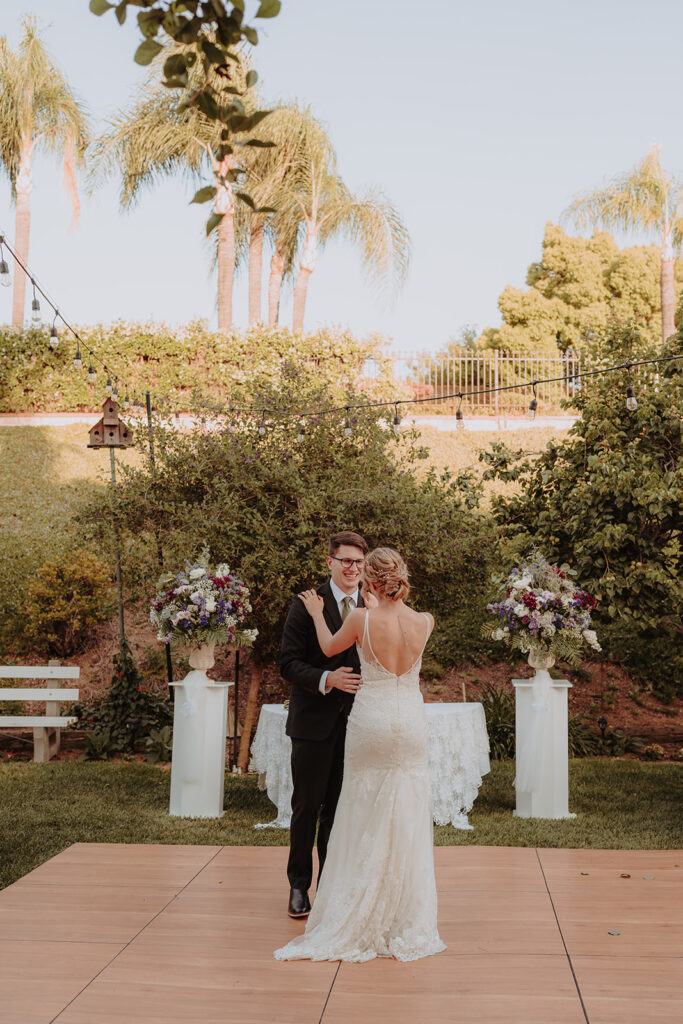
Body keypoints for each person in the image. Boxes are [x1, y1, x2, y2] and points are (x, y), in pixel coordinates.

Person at [275, 547, 446, 963]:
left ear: (369, 580)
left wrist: (318, 615)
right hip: (410, 725)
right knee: (402, 815)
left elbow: (331, 648)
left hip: (372, 723)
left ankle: (355, 905)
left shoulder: (359, 618)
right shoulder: (425, 621)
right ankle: (401, 913)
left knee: (359, 810)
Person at [279, 530, 369, 919]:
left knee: (340, 809)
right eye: (345, 561)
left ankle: (330, 886)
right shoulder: (306, 605)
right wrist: (326, 679)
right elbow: (287, 663)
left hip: (359, 725)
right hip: (313, 722)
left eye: (359, 562)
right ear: (330, 562)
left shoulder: (373, 603)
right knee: (306, 806)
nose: (352, 568)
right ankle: (299, 886)